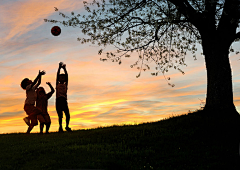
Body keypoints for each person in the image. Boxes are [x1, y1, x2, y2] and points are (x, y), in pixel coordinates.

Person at [56, 62, 72, 132]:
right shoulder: (57, 84)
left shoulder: (66, 84)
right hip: (58, 101)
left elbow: (67, 76)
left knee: (67, 114)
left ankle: (67, 126)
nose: (62, 78)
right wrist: (59, 68)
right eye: (61, 77)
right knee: (60, 115)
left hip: (64, 100)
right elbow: (57, 75)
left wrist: (64, 69)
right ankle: (60, 127)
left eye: (63, 77)